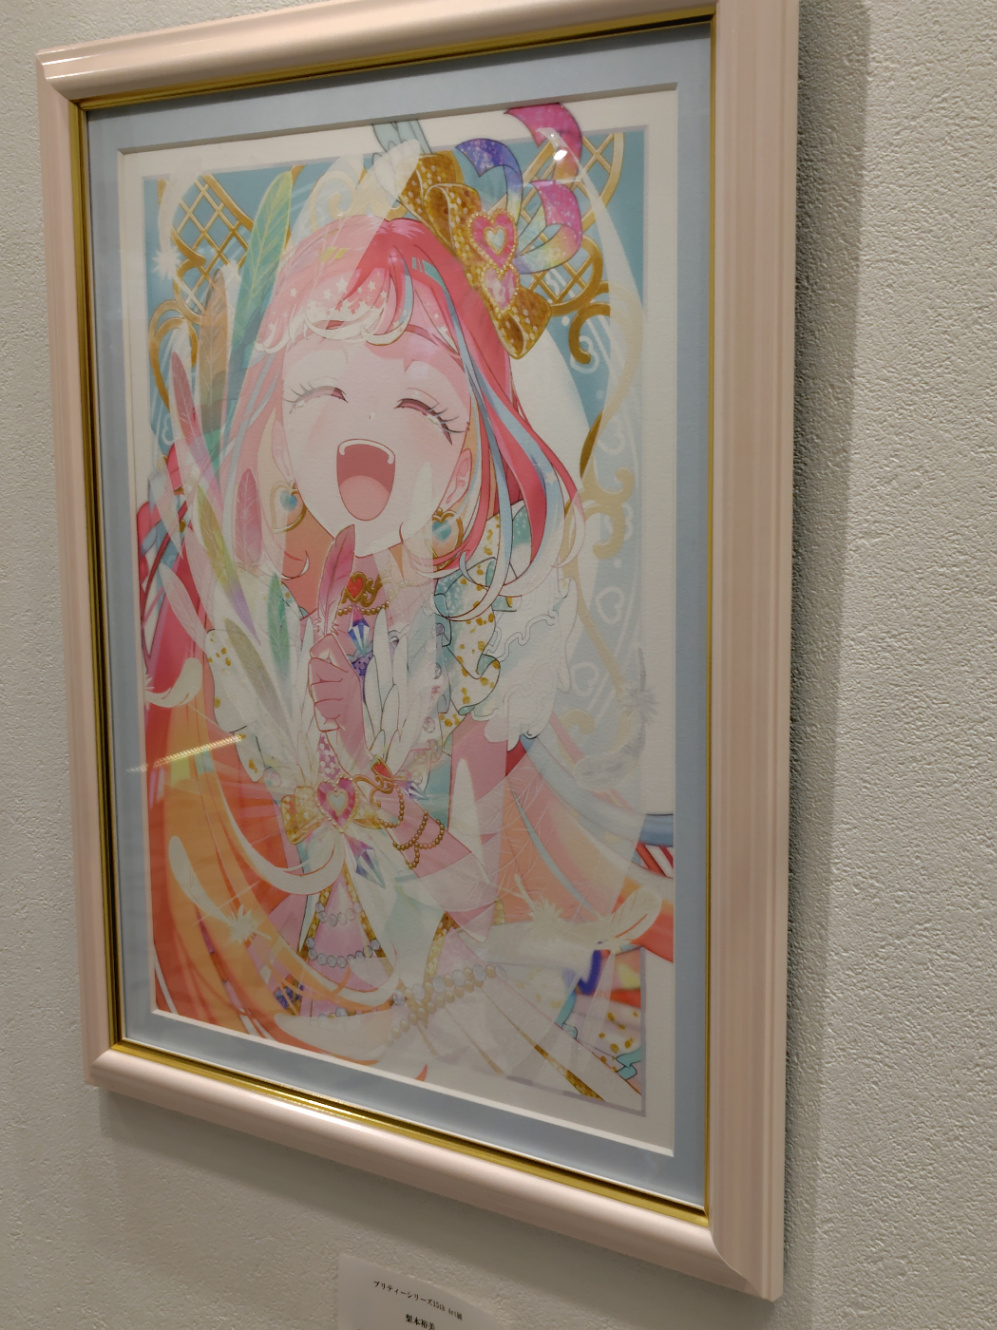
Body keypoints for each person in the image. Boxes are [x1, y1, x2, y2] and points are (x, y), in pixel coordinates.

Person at [140, 109, 671, 1106]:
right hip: (280, 1014)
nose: (365, 446)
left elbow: (481, 895)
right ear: (276, 416)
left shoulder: (478, 637)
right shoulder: (259, 605)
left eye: (420, 405)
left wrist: (381, 802)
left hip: (434, 1013)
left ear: (471, 446)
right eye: (321, 395)